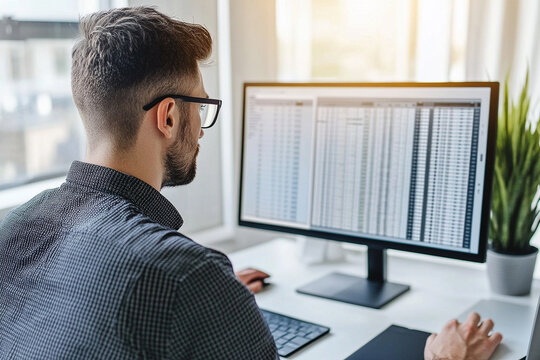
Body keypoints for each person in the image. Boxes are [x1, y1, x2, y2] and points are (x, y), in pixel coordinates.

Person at [0, 6, 501, 360]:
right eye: (202, 106)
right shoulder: (185, 277)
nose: (203, 126)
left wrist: (213, 307)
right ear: (170, 117)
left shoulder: (11, 227)